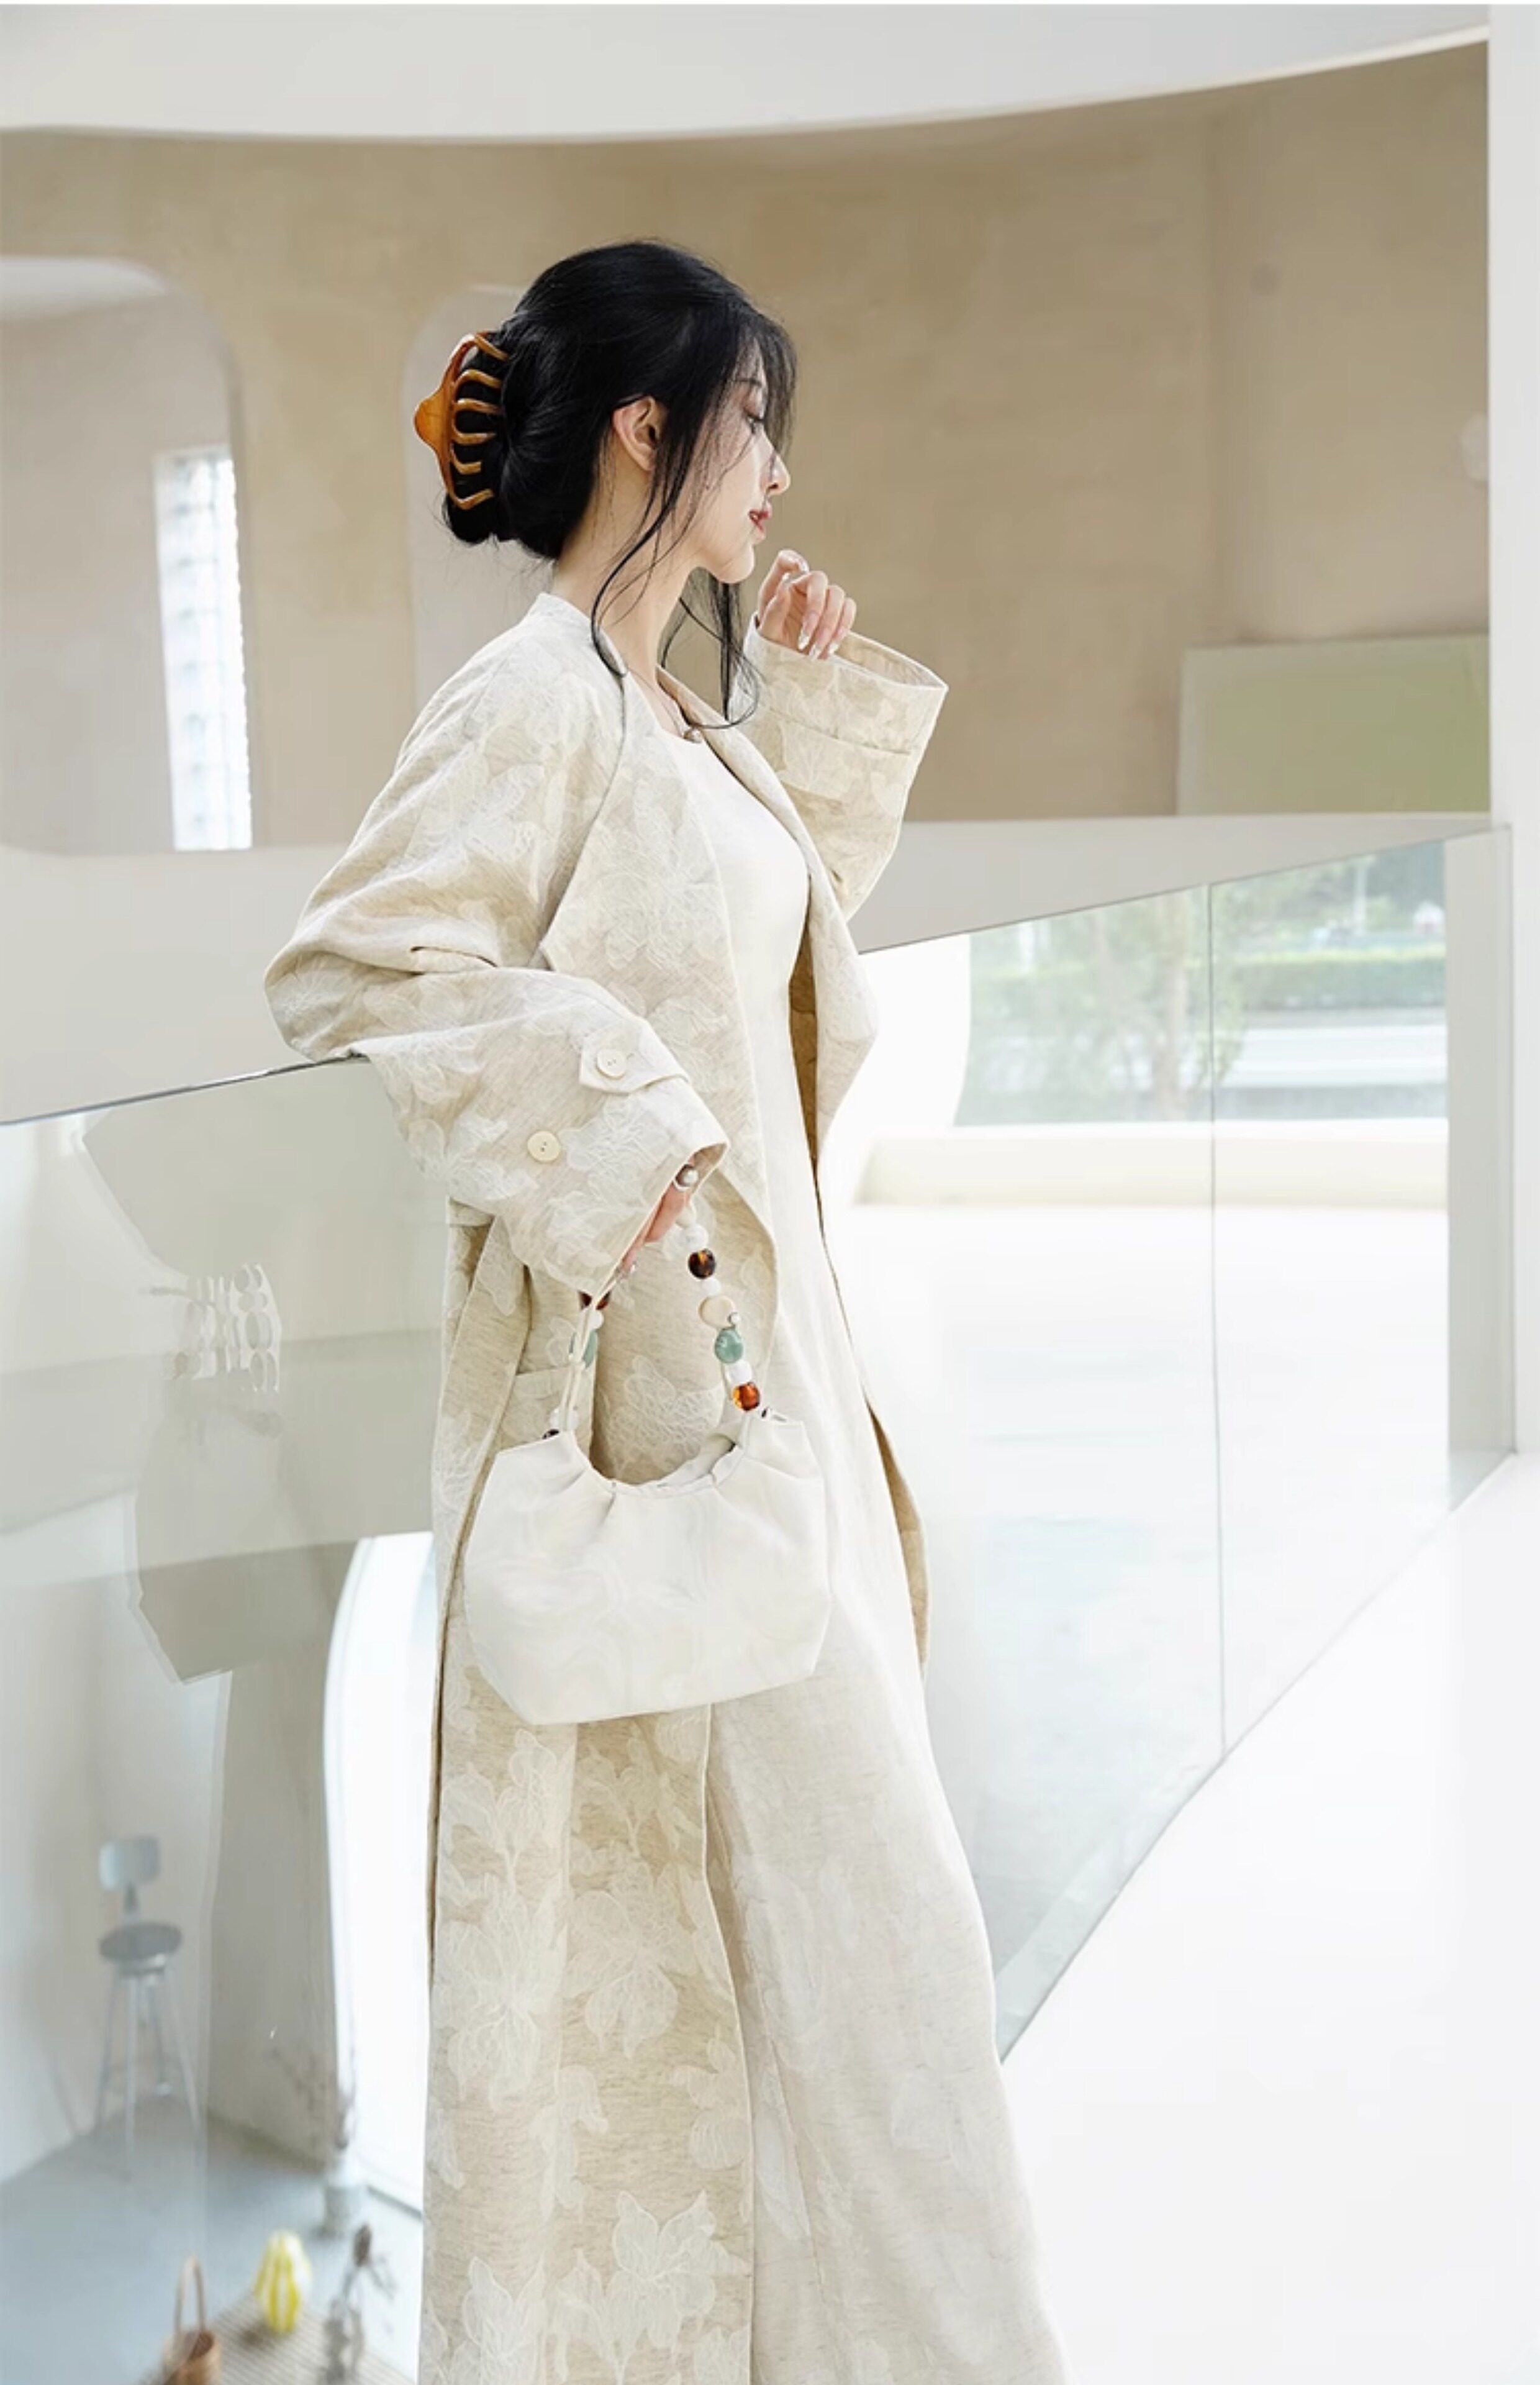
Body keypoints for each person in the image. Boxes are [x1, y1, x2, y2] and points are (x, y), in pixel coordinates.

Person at [265, 237, 1074, 2384]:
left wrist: (793, 728)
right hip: (662, 1409)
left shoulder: (672, 709)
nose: (778, 472)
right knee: (859, 1952)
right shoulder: (528, 698)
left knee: (847, 1952)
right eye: (753, 418)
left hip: (773, 1381)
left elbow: (750, 979)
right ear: (649, 423)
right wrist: (618, 1130)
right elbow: (355, 971)